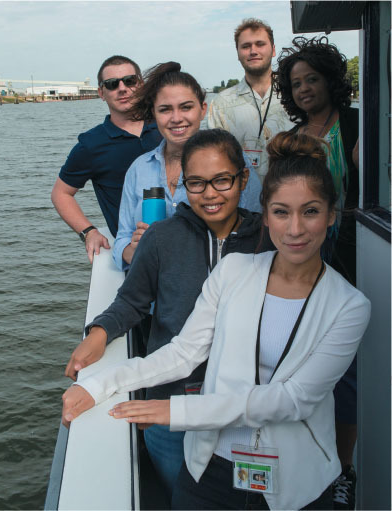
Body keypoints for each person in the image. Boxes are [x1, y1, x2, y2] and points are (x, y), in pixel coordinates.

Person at [61, 131, 370, 510]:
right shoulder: (234, 270)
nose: (294, 229)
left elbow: (294, 400)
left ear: (331, 215)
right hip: (209, 464)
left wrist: (175, 411)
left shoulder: (349, 305)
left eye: (310, 211)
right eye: (280, 212)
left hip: (295, 477)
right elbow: (183, 353)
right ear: (266, 215)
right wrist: (100, 382)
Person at [64, 128, 274, 499]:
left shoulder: (267, 241)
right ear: (182, 184)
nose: (209, 193)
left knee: (245, 499)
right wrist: (98, 333)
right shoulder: (163, 237)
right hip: (172, 397)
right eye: (196, 183)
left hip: (244, 405)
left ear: (243, 179)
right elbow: (132, 301)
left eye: (222, 180)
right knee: (182, 495)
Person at [276, 37, 359, 510]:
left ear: (330, 79)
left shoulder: (355, 123)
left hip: (350, 258)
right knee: (300, 362)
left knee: (345, 371)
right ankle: (304, 460)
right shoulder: (293, 137)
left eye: (311, 79)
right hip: (302, 256)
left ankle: (342, 468)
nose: (304, 89)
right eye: (296, 83)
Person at [112, 61, 262, 271]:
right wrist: (133, 250)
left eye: (186, 107)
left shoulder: (232, 160)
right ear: (154, 115)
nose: (176, 118)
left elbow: (257, 227)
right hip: (154, 292)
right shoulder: (139, 169)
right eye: (165, 110)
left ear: (203, 109)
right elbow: (122, 238)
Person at [51, 55, 162, 263]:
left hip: (182, 238)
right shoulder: (92, 144)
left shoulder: (167, 126)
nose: (122, 88)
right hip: (133, 250)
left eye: (130, 81)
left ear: (141, 84)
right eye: (112, 84)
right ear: (101, 93)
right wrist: (88, 232)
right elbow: (61, 193)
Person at [207, 18, 294, 182]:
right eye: (246, 46)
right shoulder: (221, 104)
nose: (253, 51)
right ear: (238, 53)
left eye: (260, 44)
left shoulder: (295, 95)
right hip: (243, 201)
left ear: (273, 50)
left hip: (293, 197)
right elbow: (216, 159)